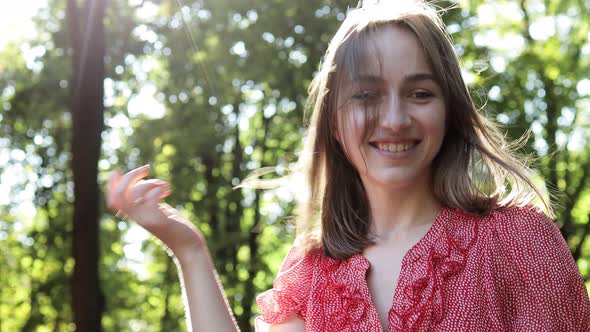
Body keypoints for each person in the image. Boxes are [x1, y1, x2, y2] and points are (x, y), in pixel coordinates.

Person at [106, 0, 590, 331]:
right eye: (367, 96)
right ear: (334, 123)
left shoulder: (519, 243)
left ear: (450, 112)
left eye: (420, 93)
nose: (395, 119)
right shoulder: (310, 272)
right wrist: (189, 252)